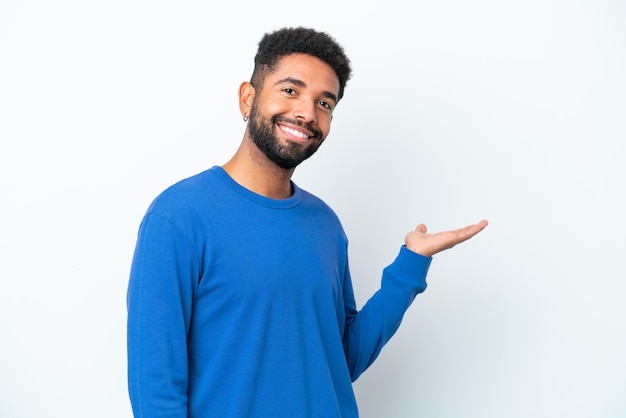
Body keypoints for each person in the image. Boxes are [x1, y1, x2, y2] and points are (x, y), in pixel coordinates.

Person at [126, 26, 488, 418]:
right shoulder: (178, 216)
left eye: (325, 103)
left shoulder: (325, 226)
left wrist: (409, 265)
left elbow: (340, 359)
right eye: (290, 90)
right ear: (248, 98)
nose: (307, 113)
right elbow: (155, 381)